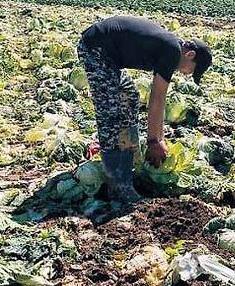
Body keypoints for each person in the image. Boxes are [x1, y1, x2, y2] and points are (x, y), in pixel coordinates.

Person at [77, 16, 212, 203]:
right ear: (190, 55)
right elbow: (156, 99)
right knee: (110, 113)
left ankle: (128, 159)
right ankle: (117, 184)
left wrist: (160, 139)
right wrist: (153, 141)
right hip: (96, 48)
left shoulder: (171, 47)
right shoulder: (172, 52)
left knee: (129, 96)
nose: (187, 74)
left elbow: (159, 100)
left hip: (108, 55)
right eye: (192, 70)